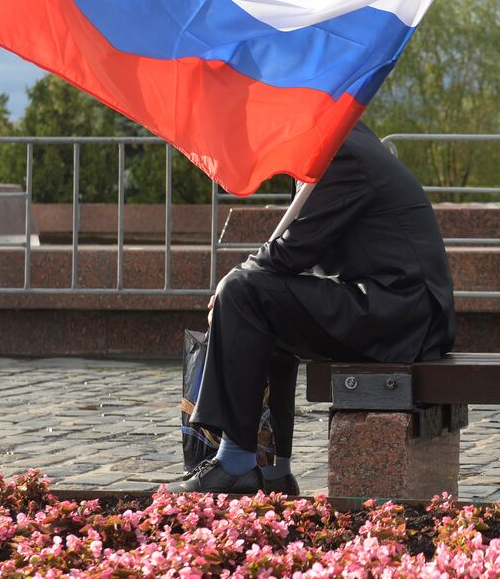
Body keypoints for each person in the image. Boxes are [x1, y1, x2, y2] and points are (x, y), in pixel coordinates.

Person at [170, 120, 456, 494]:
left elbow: (298, 247)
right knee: (260, 303)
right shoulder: (346, 141)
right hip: (399, 309)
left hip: (400, 315)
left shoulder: (341, 154)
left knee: (244, 292)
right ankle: (272, 469)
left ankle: (236, 462)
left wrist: (232, 284)